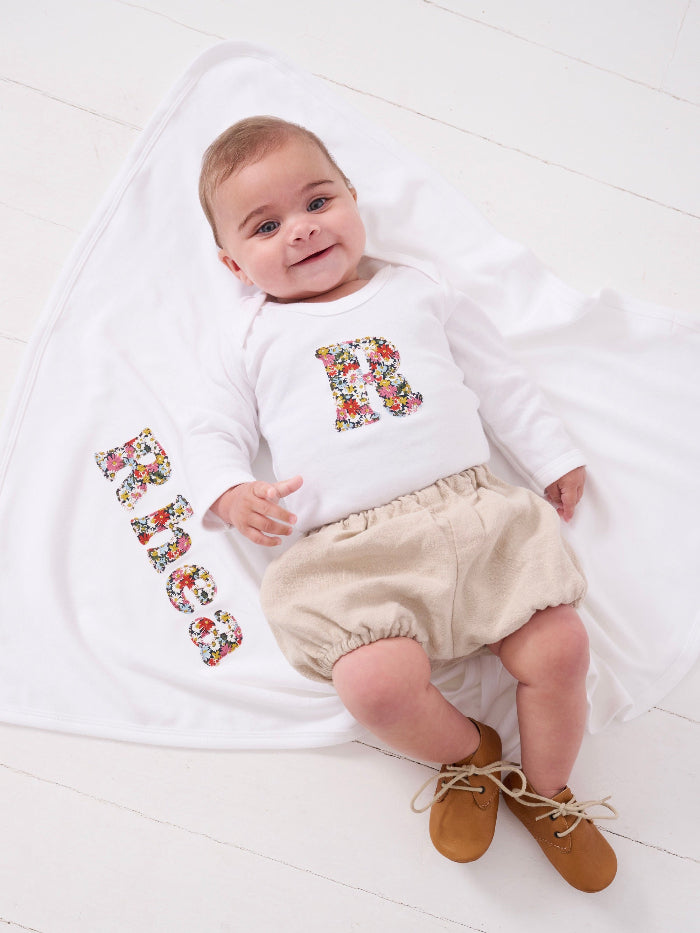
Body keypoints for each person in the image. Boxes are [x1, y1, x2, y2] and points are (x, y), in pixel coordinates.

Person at [192, 115, 618, 892]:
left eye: (318, 202)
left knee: (559, 648)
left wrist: (552, 452)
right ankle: (469, 757)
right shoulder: (249, 336)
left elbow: (498, 378)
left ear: (354, 198)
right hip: (353, 554)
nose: (301, 231)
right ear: (234, 263)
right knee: (374, 687)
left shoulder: (416, 290)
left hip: (474, 517)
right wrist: (228, 489)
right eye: (266, 226)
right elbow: (211, 426)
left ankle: (548, 787)